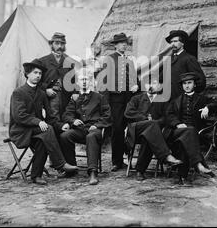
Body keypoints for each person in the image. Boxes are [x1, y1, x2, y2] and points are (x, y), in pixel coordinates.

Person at [9, 59, 78, 185]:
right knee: (47, 131)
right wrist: (37, 122)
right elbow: (19, 116)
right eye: (35, 73)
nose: (38, 76)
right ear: (27, 74)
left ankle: (36, 175)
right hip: (20, 130)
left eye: (40, 74)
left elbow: (51, 117)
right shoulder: (18, 93)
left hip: (37, 131)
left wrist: (61, 125)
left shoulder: (41, 94)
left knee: (44, 138)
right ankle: (60, 164)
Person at [166, 72, 217, 184]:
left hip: (196, 134)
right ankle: (198, 164)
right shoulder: (176, 100)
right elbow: (169, 115)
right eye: (184, 83)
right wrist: (177, 123)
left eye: (189, 83)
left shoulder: (202, 100)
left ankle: (182, 177)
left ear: (195, 85)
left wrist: (208, 107)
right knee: (187, 134)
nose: (187, 86)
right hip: (177, 132)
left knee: (186, 137)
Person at [60, 68, 111, 185]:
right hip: (81, 130)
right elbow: (67, 114)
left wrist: (97, 125)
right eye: (81, 79)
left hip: (95, 129)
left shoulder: (99, 97)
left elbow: (107, 116)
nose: (84, 82)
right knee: (64, 136)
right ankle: (72, 168)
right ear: (78, 82)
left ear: (91, 81)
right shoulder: (75, 98)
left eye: (86, 79)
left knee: (91, 137)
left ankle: (93, 172)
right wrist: (73, 121)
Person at [124, 79, 182, 180]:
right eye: (148, 83)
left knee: (149, 135)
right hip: (136, 129)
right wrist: (145, 119)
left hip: (152, 133)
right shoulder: (136, 98)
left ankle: (140, 171)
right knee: (151, 127)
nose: (150, 86)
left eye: (154, 83)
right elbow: (128, 112)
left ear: (160, 86)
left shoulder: (164, 100)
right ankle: (166, 156)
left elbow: (166, 117)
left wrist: (154, 123)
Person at [102, 33, 139, 172]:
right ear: (115, 45)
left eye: (125, 43)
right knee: (117, 129)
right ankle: (116, 161)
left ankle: (127, 159)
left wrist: (136, 85)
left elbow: (134, 78)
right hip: (115, 100)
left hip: (128, 99)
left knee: (130, 128)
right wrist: (105, 104)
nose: (124, 45)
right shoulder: (109, 59)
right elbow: (104, 81)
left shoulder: (129, 60)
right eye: (121, 43)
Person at [38, 32, 79, 130]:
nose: (59, 46)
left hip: (66, 98)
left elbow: (74, 80)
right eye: (57, 43)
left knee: (66, 123)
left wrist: (75, 92)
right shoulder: (42, 61)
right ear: (51, 44)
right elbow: (34, 79)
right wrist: (45, 89)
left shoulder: (69, 61)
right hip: (49, 100)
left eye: (62, 44)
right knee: (52, 123)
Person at [165, 30, 206, 100]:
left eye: (175, 41)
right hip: (169, 99)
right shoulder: (168, 59)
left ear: (182, 43)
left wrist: (190, 94)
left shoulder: (189, 59)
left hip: (183, 100)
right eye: (171, 42)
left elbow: (200, 81)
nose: (172, 44)